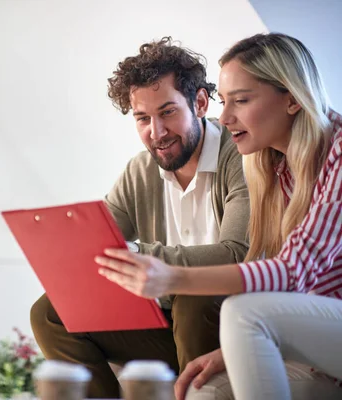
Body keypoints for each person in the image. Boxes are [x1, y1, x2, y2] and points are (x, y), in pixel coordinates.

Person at [95, 33, 342, 400]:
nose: (224, 117)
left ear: (291, 99)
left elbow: (292, 271)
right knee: (201, 389)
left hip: (325, 324)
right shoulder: (271, 164)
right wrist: (232, 350)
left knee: (241, 310)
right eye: (225, 102)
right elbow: (279, 277)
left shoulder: (336, 153)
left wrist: (170, 276)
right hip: (310, 326)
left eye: (241, 101)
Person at [30, 37, 250, 398]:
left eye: (167, 112)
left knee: (193, 294)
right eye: (143, 119)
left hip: (227, 322)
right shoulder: (140, 171)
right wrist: (67, 251)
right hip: (166, 328)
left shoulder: (239, 155)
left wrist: (140, 255)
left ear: (199, 102)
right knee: (50, 313)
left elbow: (237, 253)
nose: (156, 132)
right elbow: (102, 239)